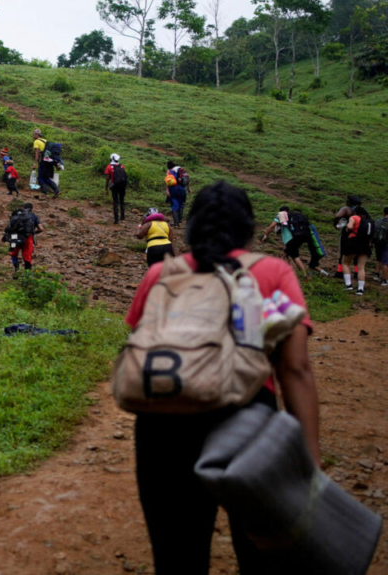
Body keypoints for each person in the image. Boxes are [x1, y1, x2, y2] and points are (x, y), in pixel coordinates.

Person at [125, 181, 320, 574]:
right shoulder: (272, 272)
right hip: (249, 426)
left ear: (192, 226)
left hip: (163, 427)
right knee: (260, 552)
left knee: (177, 557)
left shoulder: (160, 274)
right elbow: (295, 369)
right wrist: (309, 463)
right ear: (247, 228)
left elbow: (141, 345)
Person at [260, 207, 328, 278]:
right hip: (299, 237)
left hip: (291, 239)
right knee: (293, 255)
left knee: (289, 255)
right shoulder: (293, 216)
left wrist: (265, 236)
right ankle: (297, 274)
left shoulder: (281, 214)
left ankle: (301, 275)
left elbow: (272, 226)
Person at [4, 203, 44, 276]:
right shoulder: (34, 216)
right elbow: (41, 229)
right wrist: (34, 232)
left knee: (13, 253)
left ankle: (16, 268)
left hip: (14, 237)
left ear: (23, 207)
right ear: (31, 209)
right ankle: (27, 275)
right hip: (28, 238)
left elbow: (10, 226)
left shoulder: (17, 214)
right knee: (27, 256)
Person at [342, 206, 373, 295]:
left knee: (345, 263)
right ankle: (360, 289)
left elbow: (350, 227)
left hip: (354, 242)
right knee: (361, 267)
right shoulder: (369, 221)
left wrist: (348, 226)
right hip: (365, 244)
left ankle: (349, 285)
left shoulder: (354, 217)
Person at [332, 195, 362, 278]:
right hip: (357, 233)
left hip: (346, 233)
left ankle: (339, 271)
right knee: (355, 253)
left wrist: (335, 224)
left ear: (349, 202)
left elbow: (338, 216)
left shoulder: (346, 209)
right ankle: (356, 272)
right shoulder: (360, 211)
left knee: (342, 251)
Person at [33, 129, 60, 198]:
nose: (33, 136)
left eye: (34, 134)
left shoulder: (36, 141)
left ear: (37, 135)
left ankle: (43, 193)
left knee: (40, 178)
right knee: (46, 178)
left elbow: (37, 154)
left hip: (43, 162)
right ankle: (56, 190)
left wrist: (35, 163)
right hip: (50, 162)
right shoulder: (45, 141)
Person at [104, 153, 128, 224]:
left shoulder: (108, 167)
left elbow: (107, 178)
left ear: (111, 159)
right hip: (122, 186)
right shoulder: (122, 166)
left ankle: (116, 219)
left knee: (115, 202)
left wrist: (106, 189)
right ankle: (123, 216)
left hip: (114, 186)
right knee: (122, 201)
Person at [165, 160, 189, 227]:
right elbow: (187, 180)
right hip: (182, 190)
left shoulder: (169, 171)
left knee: (175, 205)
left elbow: (167, 181)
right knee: (181, 205)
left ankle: (176, 223)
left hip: (173, 189)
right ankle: (180, 221)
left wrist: (167, 190)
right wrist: (189, 189)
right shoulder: (182, 170)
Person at [375, 207, 388, 287]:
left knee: (378, 259)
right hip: (387, 244)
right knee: (385, 262)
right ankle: (384, 280)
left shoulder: (378, 221)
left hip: (378, 243)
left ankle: (376, 274)